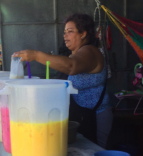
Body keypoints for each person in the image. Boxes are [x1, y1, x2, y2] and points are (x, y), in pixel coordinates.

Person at [13, 13, 113, 148]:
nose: (65, 36)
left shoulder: (91, 52)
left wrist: (36, 55)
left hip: (95, 117)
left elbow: (71, 66)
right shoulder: (73, 54)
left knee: (95, 153)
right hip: (80, 116)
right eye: (64, 32)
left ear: (83, 34)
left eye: (70, 32)